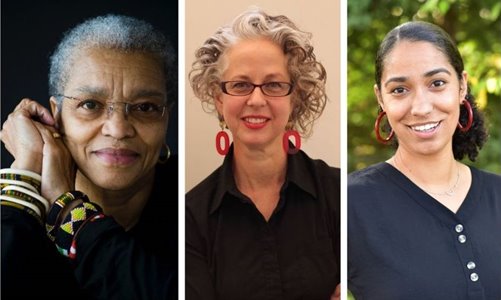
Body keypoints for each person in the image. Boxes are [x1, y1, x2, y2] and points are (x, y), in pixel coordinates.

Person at [1, 15, 178, 299]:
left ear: (166, 118)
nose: (118, 129)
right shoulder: (14, 217)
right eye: (90, 104)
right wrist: (26, 170)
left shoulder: (201, 206)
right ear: (55, 116)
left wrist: (68, 212)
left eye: (145, 107)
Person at [186, 8, 340, 300]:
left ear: (295, 97)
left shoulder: (339, 194)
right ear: (219, 98)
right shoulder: (192, 218)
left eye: (273, 85)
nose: (256, 100)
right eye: (241, 85)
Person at [348, 21, 501, 300]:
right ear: (380, 98)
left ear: (462, 85)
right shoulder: (348, 204)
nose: (421, 107)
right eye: (399, 90)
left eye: (437, 83)